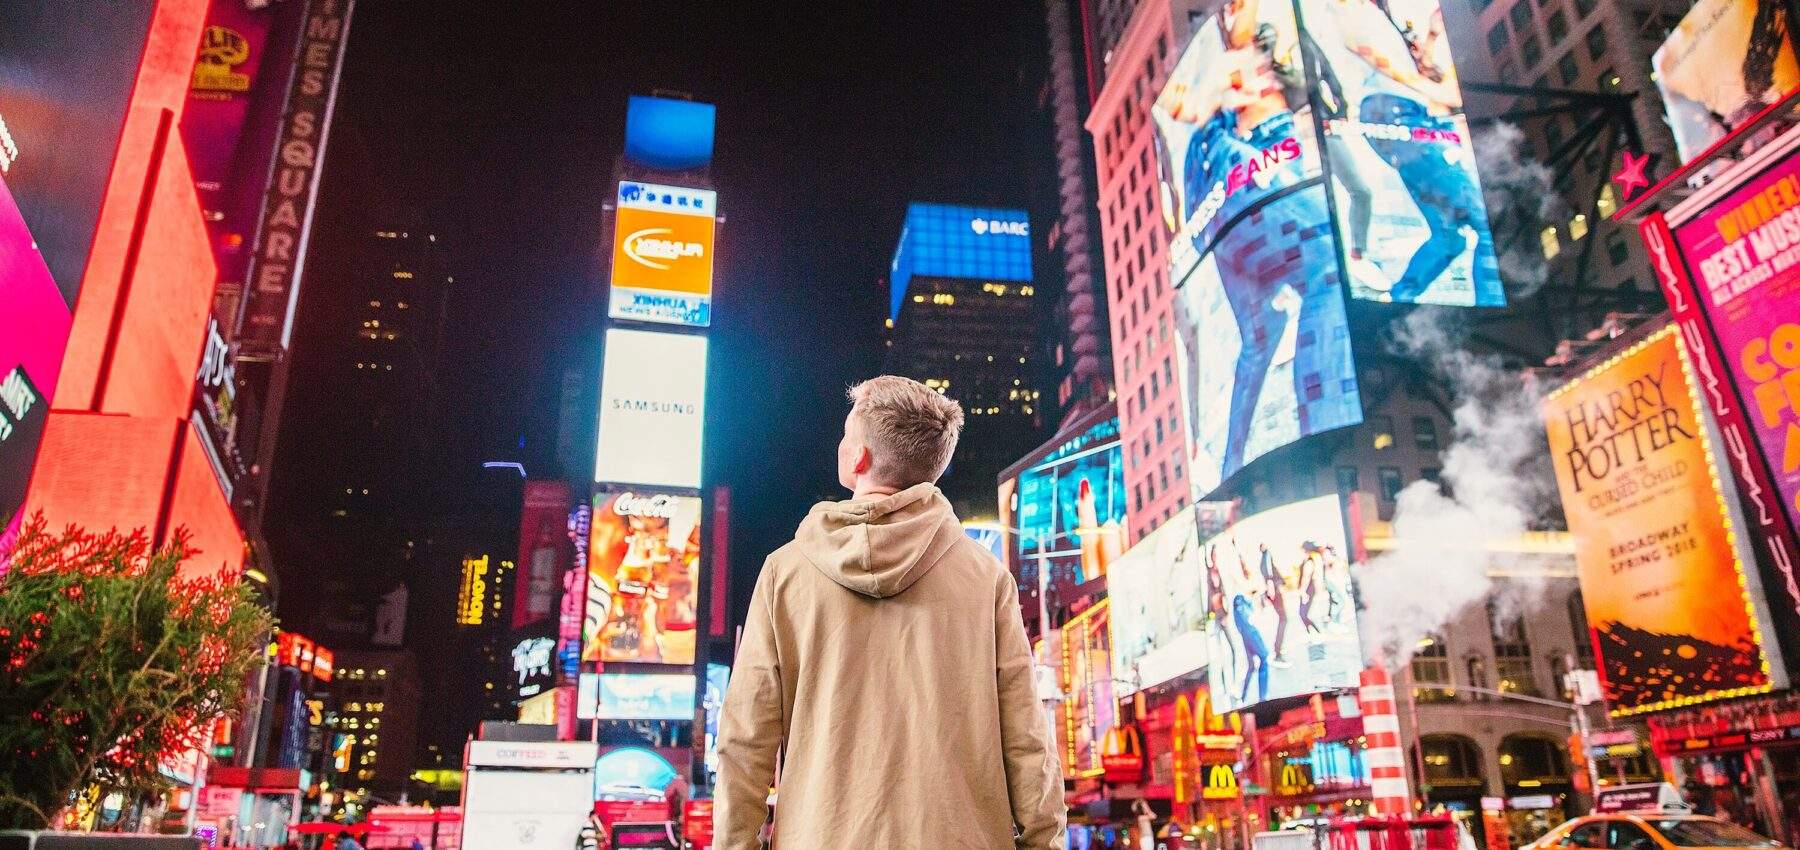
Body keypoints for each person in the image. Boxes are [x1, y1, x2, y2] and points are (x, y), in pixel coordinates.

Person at [715, 376, 1065, 849]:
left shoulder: (786, 573)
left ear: (858, 457)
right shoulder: (987, 579)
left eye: (845, 434)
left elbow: (745, 739)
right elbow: (1027, 740)